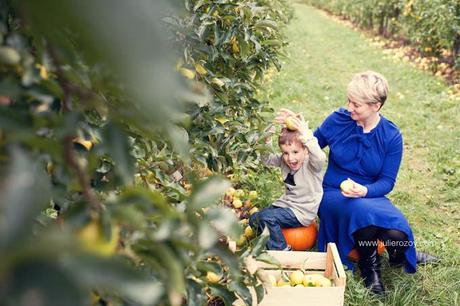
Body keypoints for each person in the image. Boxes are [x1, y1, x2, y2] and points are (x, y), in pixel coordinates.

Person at [276, 71, 437, 295]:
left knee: (396, 235)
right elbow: (308, 147)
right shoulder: (338, 120)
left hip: (371, 195)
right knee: (364, 218)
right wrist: (297, 130)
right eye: (349, 101)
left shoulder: (391, 136)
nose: (349, 107)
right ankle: (370, 269)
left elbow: (387, 182)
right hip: (333, 193)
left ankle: (400, 253)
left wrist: (365, 190)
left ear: (376, 106)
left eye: (356, 104)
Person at [249, 115, 326, 250]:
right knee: (254, 219)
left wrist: (306, 135)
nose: (291, 158)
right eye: (285, 153)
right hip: (286, 205)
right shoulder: (284, 161)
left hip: (302, 211)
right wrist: (267, 139)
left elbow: (320, 157)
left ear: (306, 150)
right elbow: (266, 160)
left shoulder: (312, 165)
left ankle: (281, 249)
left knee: (266, 218)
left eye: (295, 152)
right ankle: (271, 237)